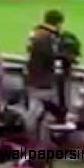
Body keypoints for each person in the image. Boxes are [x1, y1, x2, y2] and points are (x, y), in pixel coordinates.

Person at [25, 9, 64, 139]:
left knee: (35, 112)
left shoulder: (35, 33)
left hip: (32, 78)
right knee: (41, 115)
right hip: (44, 81)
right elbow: (52, 56)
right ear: (58, 23)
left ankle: (35, 143)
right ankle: (38, 144)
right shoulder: (49, 37)